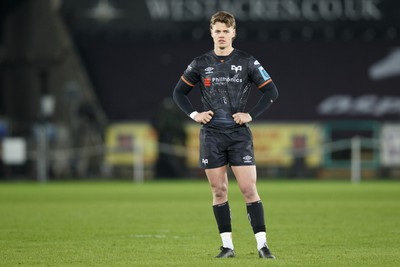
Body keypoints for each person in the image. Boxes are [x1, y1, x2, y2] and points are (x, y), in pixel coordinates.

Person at [172, 11, 278, 259]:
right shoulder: (199, 63)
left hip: (239, 135)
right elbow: (178, 93)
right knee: (219, 190)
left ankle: (262, 246)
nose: (221, 35)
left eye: (226, 31)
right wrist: (194, 115)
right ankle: (227, 247)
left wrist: (250, 115)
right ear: (211, 33)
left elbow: (271, 91)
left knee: (248, 189)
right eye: (217, 31)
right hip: (211, 136)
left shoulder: (247, 61)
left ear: (233, 33)